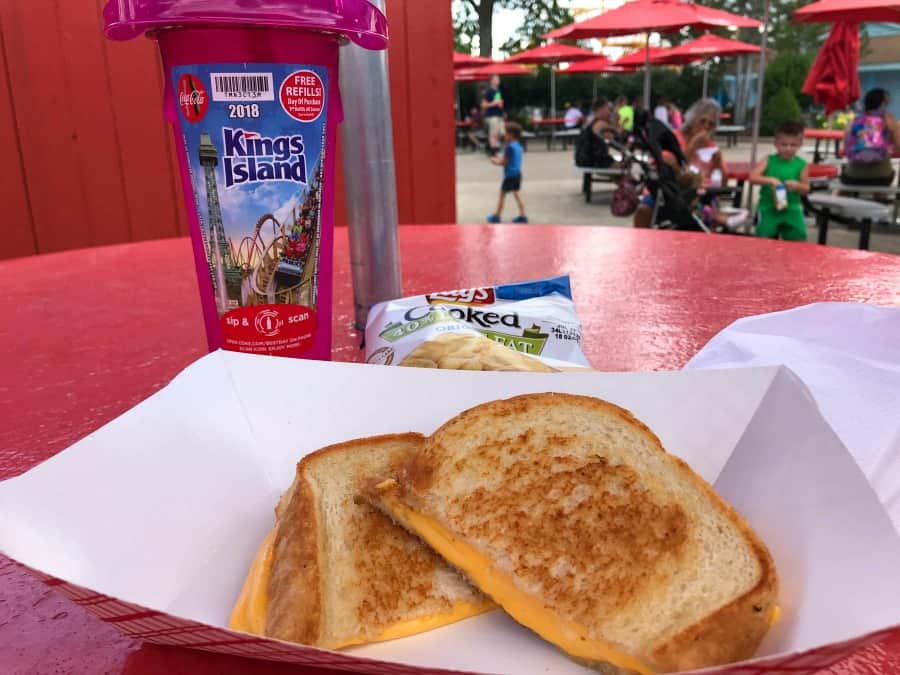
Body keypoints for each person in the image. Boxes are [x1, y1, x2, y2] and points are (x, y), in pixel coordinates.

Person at [633, 98, 746, 229]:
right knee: (644, 210)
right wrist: (692, 147)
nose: (706, 127)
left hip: (701, 195)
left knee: (701, 206)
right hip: (667, 193)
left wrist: (719, 164)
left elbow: (724, 183)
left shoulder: (712, 147)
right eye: (702, 121)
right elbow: (668, 167)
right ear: (692, 120)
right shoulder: (672, 138)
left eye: (711, 124)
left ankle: (715, 222)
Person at [749, 121, 810, 242]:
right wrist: (770, 180)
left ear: (800, 145)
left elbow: (806, 188)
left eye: (793, 145)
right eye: (784, 144)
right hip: (768, 207)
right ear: (776, 144)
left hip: (792, 207)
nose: (788, 148)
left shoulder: (801, 164)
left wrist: (797, 186)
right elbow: (752, 177)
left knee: (798, 238)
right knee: (764, 237)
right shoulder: (769, 160)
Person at [842, 88, 899, 186]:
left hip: (852, 176)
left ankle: (837, 197)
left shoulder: (855, 120)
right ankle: (881, 200)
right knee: (883, 177)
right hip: (882, 177)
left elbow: (846, 147)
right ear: (883, 103)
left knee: (845, 183)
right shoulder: (889, 120)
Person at [486, 122, 527, 224]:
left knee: (502, 195)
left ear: (512, 134)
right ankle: (523, 215)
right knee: (517, 194)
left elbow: (504, 162)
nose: (504, 135)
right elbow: (511, 160)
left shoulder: (509, 147)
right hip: (517, 174)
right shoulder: (518, 146)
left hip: (509, 175)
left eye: (506, 133)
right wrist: (500, 158)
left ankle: (497, 216)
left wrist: (494, 161)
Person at [575, 98, 617, 168]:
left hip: (583, 159)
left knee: (620, 165)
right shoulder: (600, 123)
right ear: (600, 109)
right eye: (608, 109)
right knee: (625, 168)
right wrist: (616, 121)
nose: (609, 113)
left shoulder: (590, 119)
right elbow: (614, 139)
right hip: (592, 160)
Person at [482, 75, 505, 156]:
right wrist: (495, 103)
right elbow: (484, 105)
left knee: (501, 133)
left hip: (499, 115)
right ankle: (493, 151)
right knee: (493, 133)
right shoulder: (488, 91)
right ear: (491, 81)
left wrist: (500, 104)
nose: (498, 80)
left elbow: (498, 102)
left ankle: (494, 148)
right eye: (496, 79)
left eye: (498, 79)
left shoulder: (498, 91)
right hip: (492, 116)